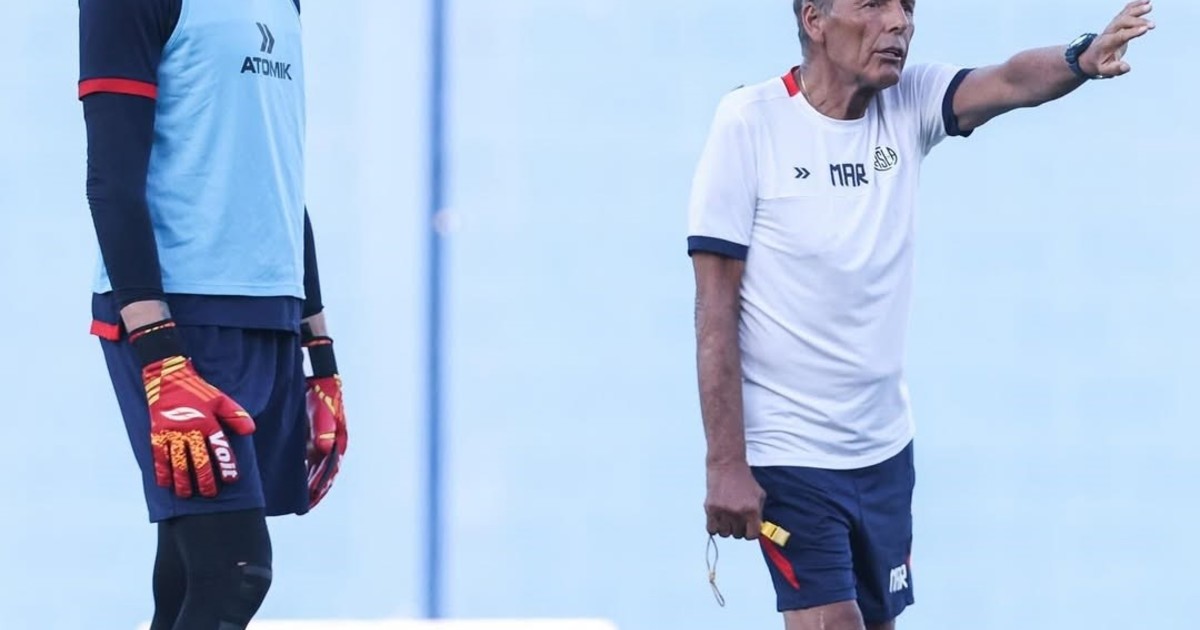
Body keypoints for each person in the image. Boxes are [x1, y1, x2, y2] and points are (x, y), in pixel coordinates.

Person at [687, 1, 1154, 628]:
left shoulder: (910, 101)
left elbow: (1010, 80)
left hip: (883, 451)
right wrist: (724, 463)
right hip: (789, 454)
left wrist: (1081, 58)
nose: (899, 22)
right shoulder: (749, 123)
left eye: (907, 6)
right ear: (815, 20)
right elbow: (715, 306)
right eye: (873, 4)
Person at [77, 0, 349, 627]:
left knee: (185, 574)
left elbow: (277, 173)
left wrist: (321, 356)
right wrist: (159, 355)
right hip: (177, 320)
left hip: (270, 314)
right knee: (235, 571)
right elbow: (110, 181)